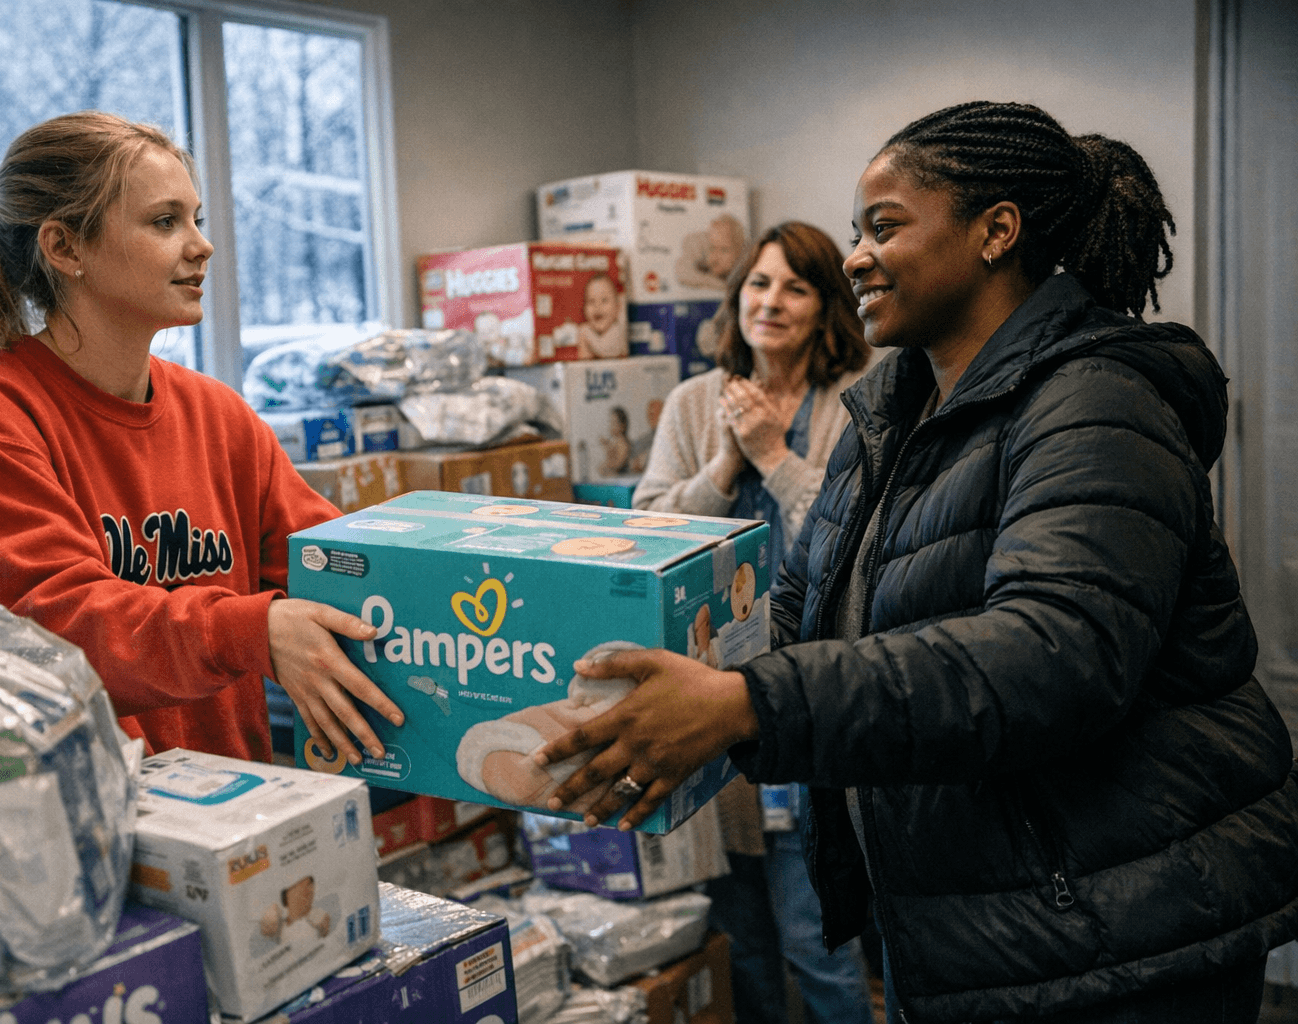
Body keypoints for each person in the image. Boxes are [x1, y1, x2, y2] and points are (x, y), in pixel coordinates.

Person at [535, 100, 1298, 1024]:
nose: (856, 257)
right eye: (857, 232)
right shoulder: (892, 416)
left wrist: (747, 704)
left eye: (883, 227)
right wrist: (672, 686)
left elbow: (1053, 656)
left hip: (1114, 932)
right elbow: (803, 606)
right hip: (962, 916)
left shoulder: (1096, 404)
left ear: (995, 232)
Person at [0, 111, 402, 768]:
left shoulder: (218, 415)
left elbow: (330, 571)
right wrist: (249, 630)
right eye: (166, 222)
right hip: (77, 810)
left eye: (196, 219)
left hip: (234, 802)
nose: (202, 246)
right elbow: (56, 629)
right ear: (65, 248)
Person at [634, 220, 876, 1024]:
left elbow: (856, 547)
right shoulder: (692, 402)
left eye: (795, 287)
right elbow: (650, 533)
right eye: (759, 284)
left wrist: (772, 455)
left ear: (827, 308)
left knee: (816, 936)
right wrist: (725, 464)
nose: (770, 302)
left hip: (810, 694)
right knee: (740, 936)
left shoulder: (861, 403)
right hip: (709, 694)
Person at [576, 273, 627, 359]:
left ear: (618, 307)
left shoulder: (618, 330)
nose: (597, 307)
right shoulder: (590, 334)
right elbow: (585, 360)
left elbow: (605, 350)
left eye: (604, 300)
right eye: (591, 301)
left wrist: (585, 333)